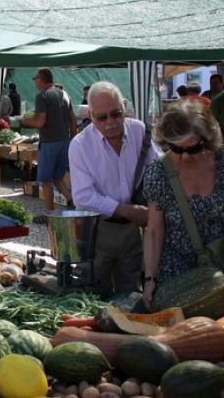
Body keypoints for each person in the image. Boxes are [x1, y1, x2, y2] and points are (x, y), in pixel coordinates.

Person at [143, 100, 224, 308]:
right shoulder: (158, 172)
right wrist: (150, 279)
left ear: (206, 140)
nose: (184, 156)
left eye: (193, 148)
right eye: (176, 148)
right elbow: (154, 232)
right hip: (176, 280)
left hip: (220, 271)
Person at [69, 81, 158, 296]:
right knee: (95, 295)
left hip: (133, 231)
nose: (110, 122)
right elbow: (83, 197)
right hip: (99, 231)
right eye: (102, 117)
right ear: (90, 116)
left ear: (124, 107)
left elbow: (158, 171)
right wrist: (126, 210)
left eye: (116, 114)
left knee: (131, 293)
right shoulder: (80, 145)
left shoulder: (139, 131)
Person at [21, 67, 76, 222]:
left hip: (50, 143)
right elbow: (72, 119)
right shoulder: (64, 94)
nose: (34, 81)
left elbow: (40, 121)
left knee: (46, 180)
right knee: (57, 177)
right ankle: (72, 201)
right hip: (65, 141)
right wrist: (73, 138)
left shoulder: (42, 96)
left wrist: (25, 121)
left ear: (42, 79)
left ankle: (49, 215)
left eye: (35, 78)